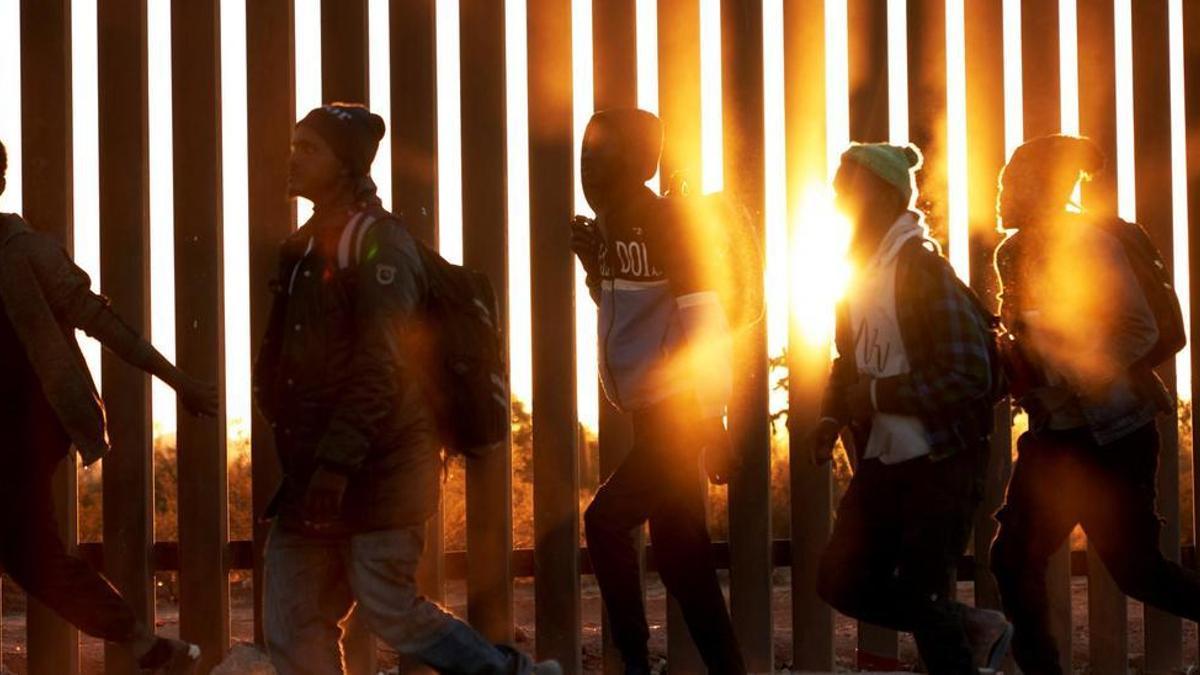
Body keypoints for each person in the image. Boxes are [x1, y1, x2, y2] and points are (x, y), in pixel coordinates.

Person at [254, 103, 558, 675]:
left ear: (346, 163)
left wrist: (336, 467)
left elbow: (384, 365)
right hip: (314, 472)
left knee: (392, 610)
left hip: (381, 467)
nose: (292, 157)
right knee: (292, 624)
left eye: (309, 148)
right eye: (294, 144)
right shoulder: (303, 246)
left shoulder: (380, 245)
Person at [0, 139, 219, 674]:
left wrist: (177, 380)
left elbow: (102, 322)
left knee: (32, 554)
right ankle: (149, 646)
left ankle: (146, 644)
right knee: (31, 555)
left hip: (22, 433)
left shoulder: (26, 254)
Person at [988, 134, 1200, 674]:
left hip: (1114, 432)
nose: (1001, 190)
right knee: (1012, 560)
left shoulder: (1084, 241)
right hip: (1055, 435)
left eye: (1012, 180)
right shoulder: (1012, 253)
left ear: (1042, 186)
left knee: (1138, 573)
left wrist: (1065, 377)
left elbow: (1139, 328)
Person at [808, 143, 1012, 674]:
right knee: (839, 579)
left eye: (843, 186)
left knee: (925, 600)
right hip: (885, 461)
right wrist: (831, 418)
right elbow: (848, 362)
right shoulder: (856, 274)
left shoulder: (923, 271)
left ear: (880, 195)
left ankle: (959, 630)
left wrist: (876, 397)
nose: (833, 197)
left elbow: (970, 373)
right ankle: (971, 624)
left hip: (940, 462)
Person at [571, 108, 746, 675]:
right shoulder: (613, 229)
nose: (589, 165)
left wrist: (713, 418)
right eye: (586, 152)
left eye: (603, 153)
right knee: (683, 560)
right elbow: (631, 314)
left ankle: (633, 666)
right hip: (655, 414)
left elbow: (705, 324)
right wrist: (592, 268)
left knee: (604, 522)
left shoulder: (668, 224)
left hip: (681, 413)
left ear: (641, 163)